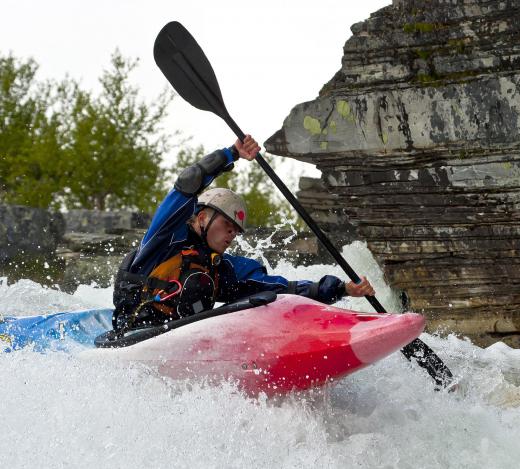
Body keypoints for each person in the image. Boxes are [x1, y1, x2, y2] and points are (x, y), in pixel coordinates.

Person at [112, 135, 375, 330]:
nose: (231, 236)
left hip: (178, 341)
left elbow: (280, 288)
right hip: (132, 334)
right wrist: (231, 154)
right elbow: (187, 183)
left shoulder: (220, 268)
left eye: (235, 232)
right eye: (227, 227)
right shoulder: (166, 237)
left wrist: (340, 288)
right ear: (202, 218)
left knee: (259, 297)